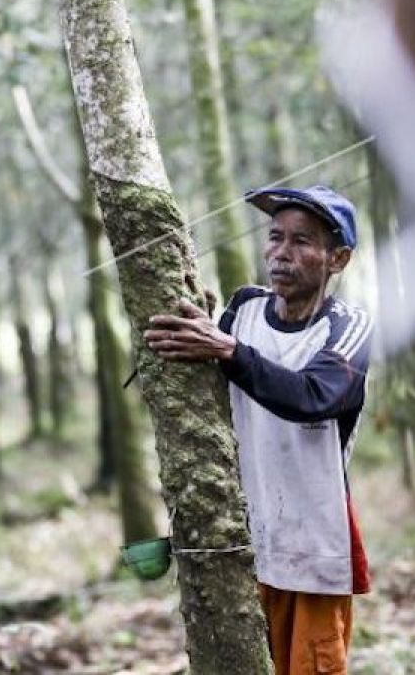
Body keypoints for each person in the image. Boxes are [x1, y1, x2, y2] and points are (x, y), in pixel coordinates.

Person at [145, 184, 372, 675]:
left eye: (302, 241)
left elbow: (314, 398)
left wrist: (228, 350)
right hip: (243, 543)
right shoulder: (244, 310)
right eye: (275, 237)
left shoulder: (348, 326)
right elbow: (210, 393)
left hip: (314, 549)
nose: (281, 254)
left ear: (338, 259)